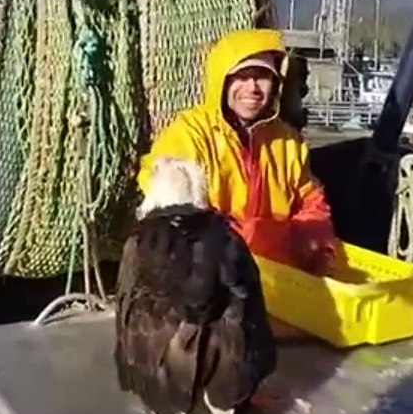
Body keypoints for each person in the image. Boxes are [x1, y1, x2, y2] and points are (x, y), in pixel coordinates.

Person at [136, 28, 337, 275]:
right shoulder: (188, 134)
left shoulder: (288, 142)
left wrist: (313, 249)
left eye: (263, 76)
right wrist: (242, 241)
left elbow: (311, 204)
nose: (252, 87)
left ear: (275, 83)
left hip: (279, 280)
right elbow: (170, 211)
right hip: (210, 278)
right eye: (241, 76)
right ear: (222, 80)